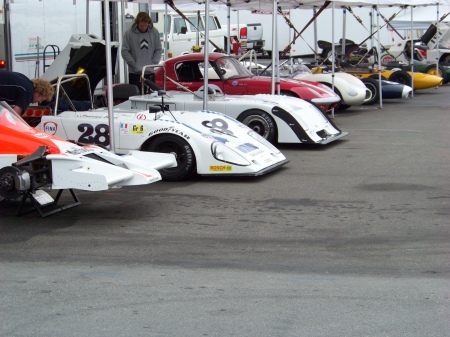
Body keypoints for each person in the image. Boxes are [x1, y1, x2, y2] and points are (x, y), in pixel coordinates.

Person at [121, 11, 162, 94]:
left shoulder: (154, 32)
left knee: (152, 97)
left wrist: (153, 63)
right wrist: (134, 65)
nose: (143, 27)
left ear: (148, 23)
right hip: (135, 73)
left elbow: (158, 49)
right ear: (137, 23)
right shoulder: (129, 34)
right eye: (141, 25)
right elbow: (124, 51)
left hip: (149, 72)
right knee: (136, 96)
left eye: (145, 25)